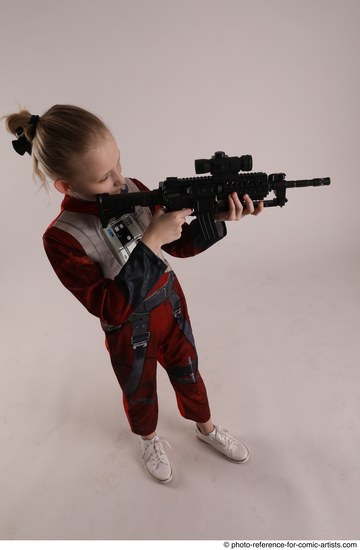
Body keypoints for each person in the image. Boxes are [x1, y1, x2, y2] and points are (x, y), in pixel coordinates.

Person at [5, 105, 263, 483]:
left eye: (119, 164)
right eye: (104, 177)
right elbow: (108, 307)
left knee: (189, 372)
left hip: (170, 306)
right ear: (64, 185)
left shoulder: (135, 190)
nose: (120, 180)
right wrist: (150, 240)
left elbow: (179, 246)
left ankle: (206, 428)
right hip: (129, 329)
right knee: (138, 389)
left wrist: (216, 218)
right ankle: (149, 439)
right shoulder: (62, 237)